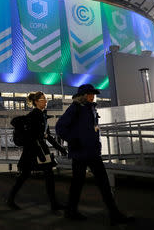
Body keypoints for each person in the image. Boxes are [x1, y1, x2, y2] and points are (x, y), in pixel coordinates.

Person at [55, 84, 133, 225]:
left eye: (93, 93)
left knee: (95, 183)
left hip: (91, 152)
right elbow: (60, 127)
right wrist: (75, 140)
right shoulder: (76, 108)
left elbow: (92, 130)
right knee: (89, 183)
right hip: (81, 152)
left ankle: (73, 211)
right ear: (82, 95)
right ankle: (112, 214)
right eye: (89, 94)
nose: (92, 96)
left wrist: (96, 145)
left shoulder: (91, 108)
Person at [7, 91, 67, 212]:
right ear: (35, 102)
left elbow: (48, 135)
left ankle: (54, 204)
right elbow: (31, 135)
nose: (45, 101)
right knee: (24, 176)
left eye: (46, 99)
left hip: (40, 150)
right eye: (42, 99)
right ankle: (10, 199)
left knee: (48, 175)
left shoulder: (43, 115)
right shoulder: (33, 115)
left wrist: (60, 148)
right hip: (33, 151)